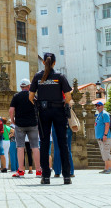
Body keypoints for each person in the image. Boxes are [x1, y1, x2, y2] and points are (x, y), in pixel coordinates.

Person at [29, 53, 72, 185]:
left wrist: (39, 103)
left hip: (44, 112)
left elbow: (30, 97)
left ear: (43, 62)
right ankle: (66, 176)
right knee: (62, 143)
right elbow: (68, 97)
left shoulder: (37, 77)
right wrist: (63, 104)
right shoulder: (60, 77)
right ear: (54, 62)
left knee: (44, 143)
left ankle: (46, 176)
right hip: (59, 111)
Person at [9, 78, 41, 178]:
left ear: (20, 87)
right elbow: (39, 110)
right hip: (33, 125)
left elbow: (11, 110)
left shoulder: (16, 96)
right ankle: (39, 171)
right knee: (35, 147)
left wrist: (13, 120)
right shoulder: (34, 96)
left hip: (20, 125)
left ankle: (21, 171)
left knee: (20, 147)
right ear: (29, 86)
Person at [94, 101, 111, 174]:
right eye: (96, 106)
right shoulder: (99, 115)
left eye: (99, 106)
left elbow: (107, 125)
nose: (97, 107)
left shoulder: (104, 114)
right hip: (100, 137)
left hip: (105, 137)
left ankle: (109, 168)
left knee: (106, 151)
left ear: (102, 106)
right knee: (104, 152)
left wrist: (105, 135)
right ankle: (107, 168)